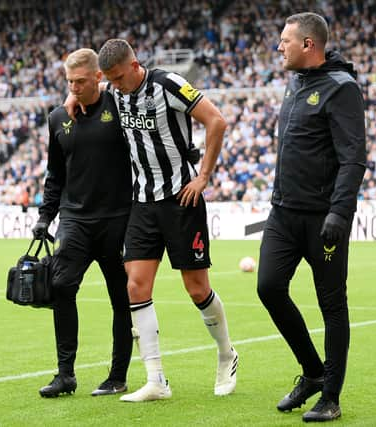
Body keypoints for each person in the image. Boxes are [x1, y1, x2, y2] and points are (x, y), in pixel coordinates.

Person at [67, 38, 238, 402]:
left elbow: (216, 121)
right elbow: (88, 92)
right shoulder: (114, 92)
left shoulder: (169, 84)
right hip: (142, 203)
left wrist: (203, 176)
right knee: (136, 287)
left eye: (118, 77)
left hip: (181, 197)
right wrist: (72, 97)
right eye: (108, 80)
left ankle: (226, 354)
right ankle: (156, 379)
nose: (114, 85)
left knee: (196, 289)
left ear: (134, 65)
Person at [256, 13, 366, 422]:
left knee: (332, 305)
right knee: (268, 287)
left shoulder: (342, 88)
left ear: (308, 45)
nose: (279, 46)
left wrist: (340, 211)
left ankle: (331, 396)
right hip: (282, 213)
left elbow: (354, 157)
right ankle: (314, 373)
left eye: (285, 40)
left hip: (324, 220)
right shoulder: (295, 83)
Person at [32, 48, 133, 399]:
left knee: (121, 298)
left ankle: (118, 375)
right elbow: (54, 173)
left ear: (98, 78)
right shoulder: (58, 117)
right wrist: (45, 217)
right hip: (75, 218)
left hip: (118, 218)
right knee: (61, 286)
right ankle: (65, 375)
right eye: (69, 82)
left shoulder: (119, 107)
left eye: (80, 81)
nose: (74, 87)